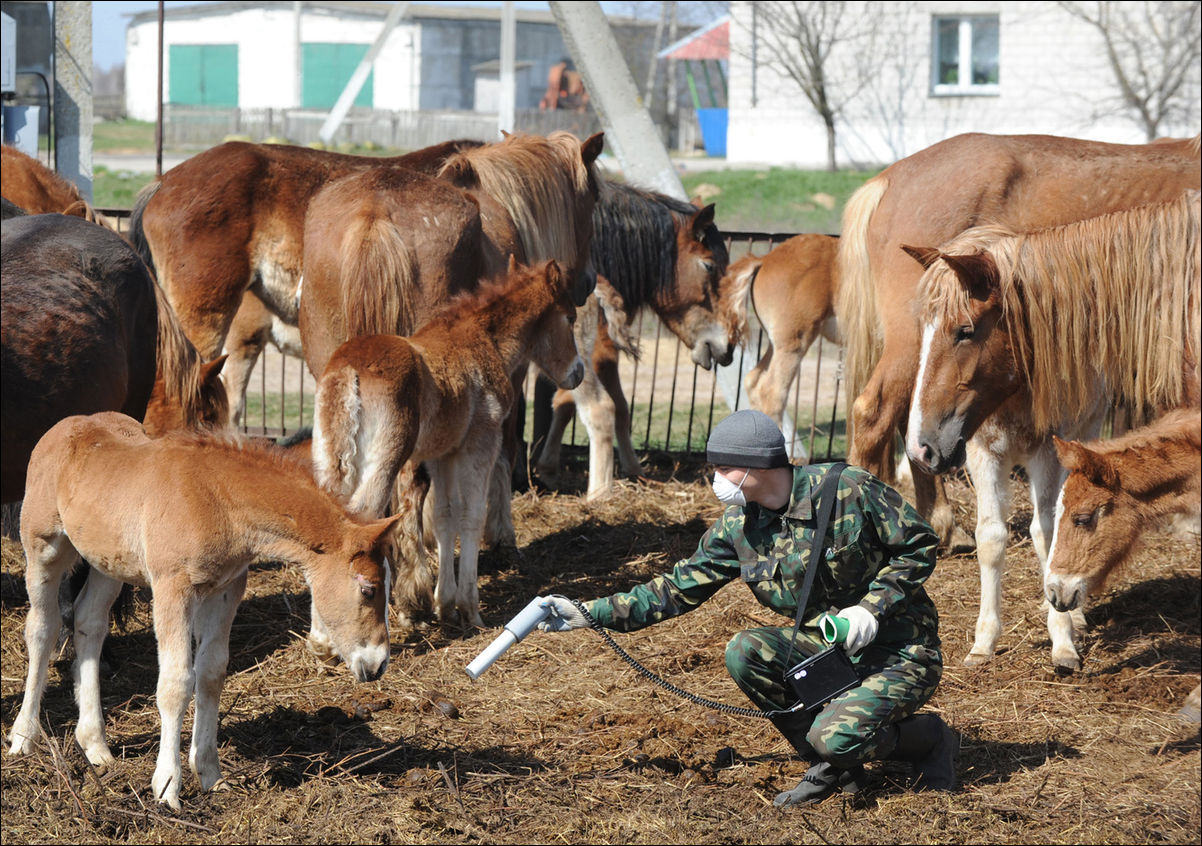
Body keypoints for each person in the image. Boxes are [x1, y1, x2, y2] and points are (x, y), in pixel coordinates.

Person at [538, 409, 956, 807]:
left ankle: (926, 738)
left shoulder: (847, 489)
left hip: (901, 651)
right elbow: (675, 589)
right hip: (827, 651)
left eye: (723, 469)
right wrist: (588, 612)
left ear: (758, 466)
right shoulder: (739, 526)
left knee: (836, 737)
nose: (715, 481)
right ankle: (831, 765)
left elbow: (919, 545)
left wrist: (871, 608)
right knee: (745, 652)